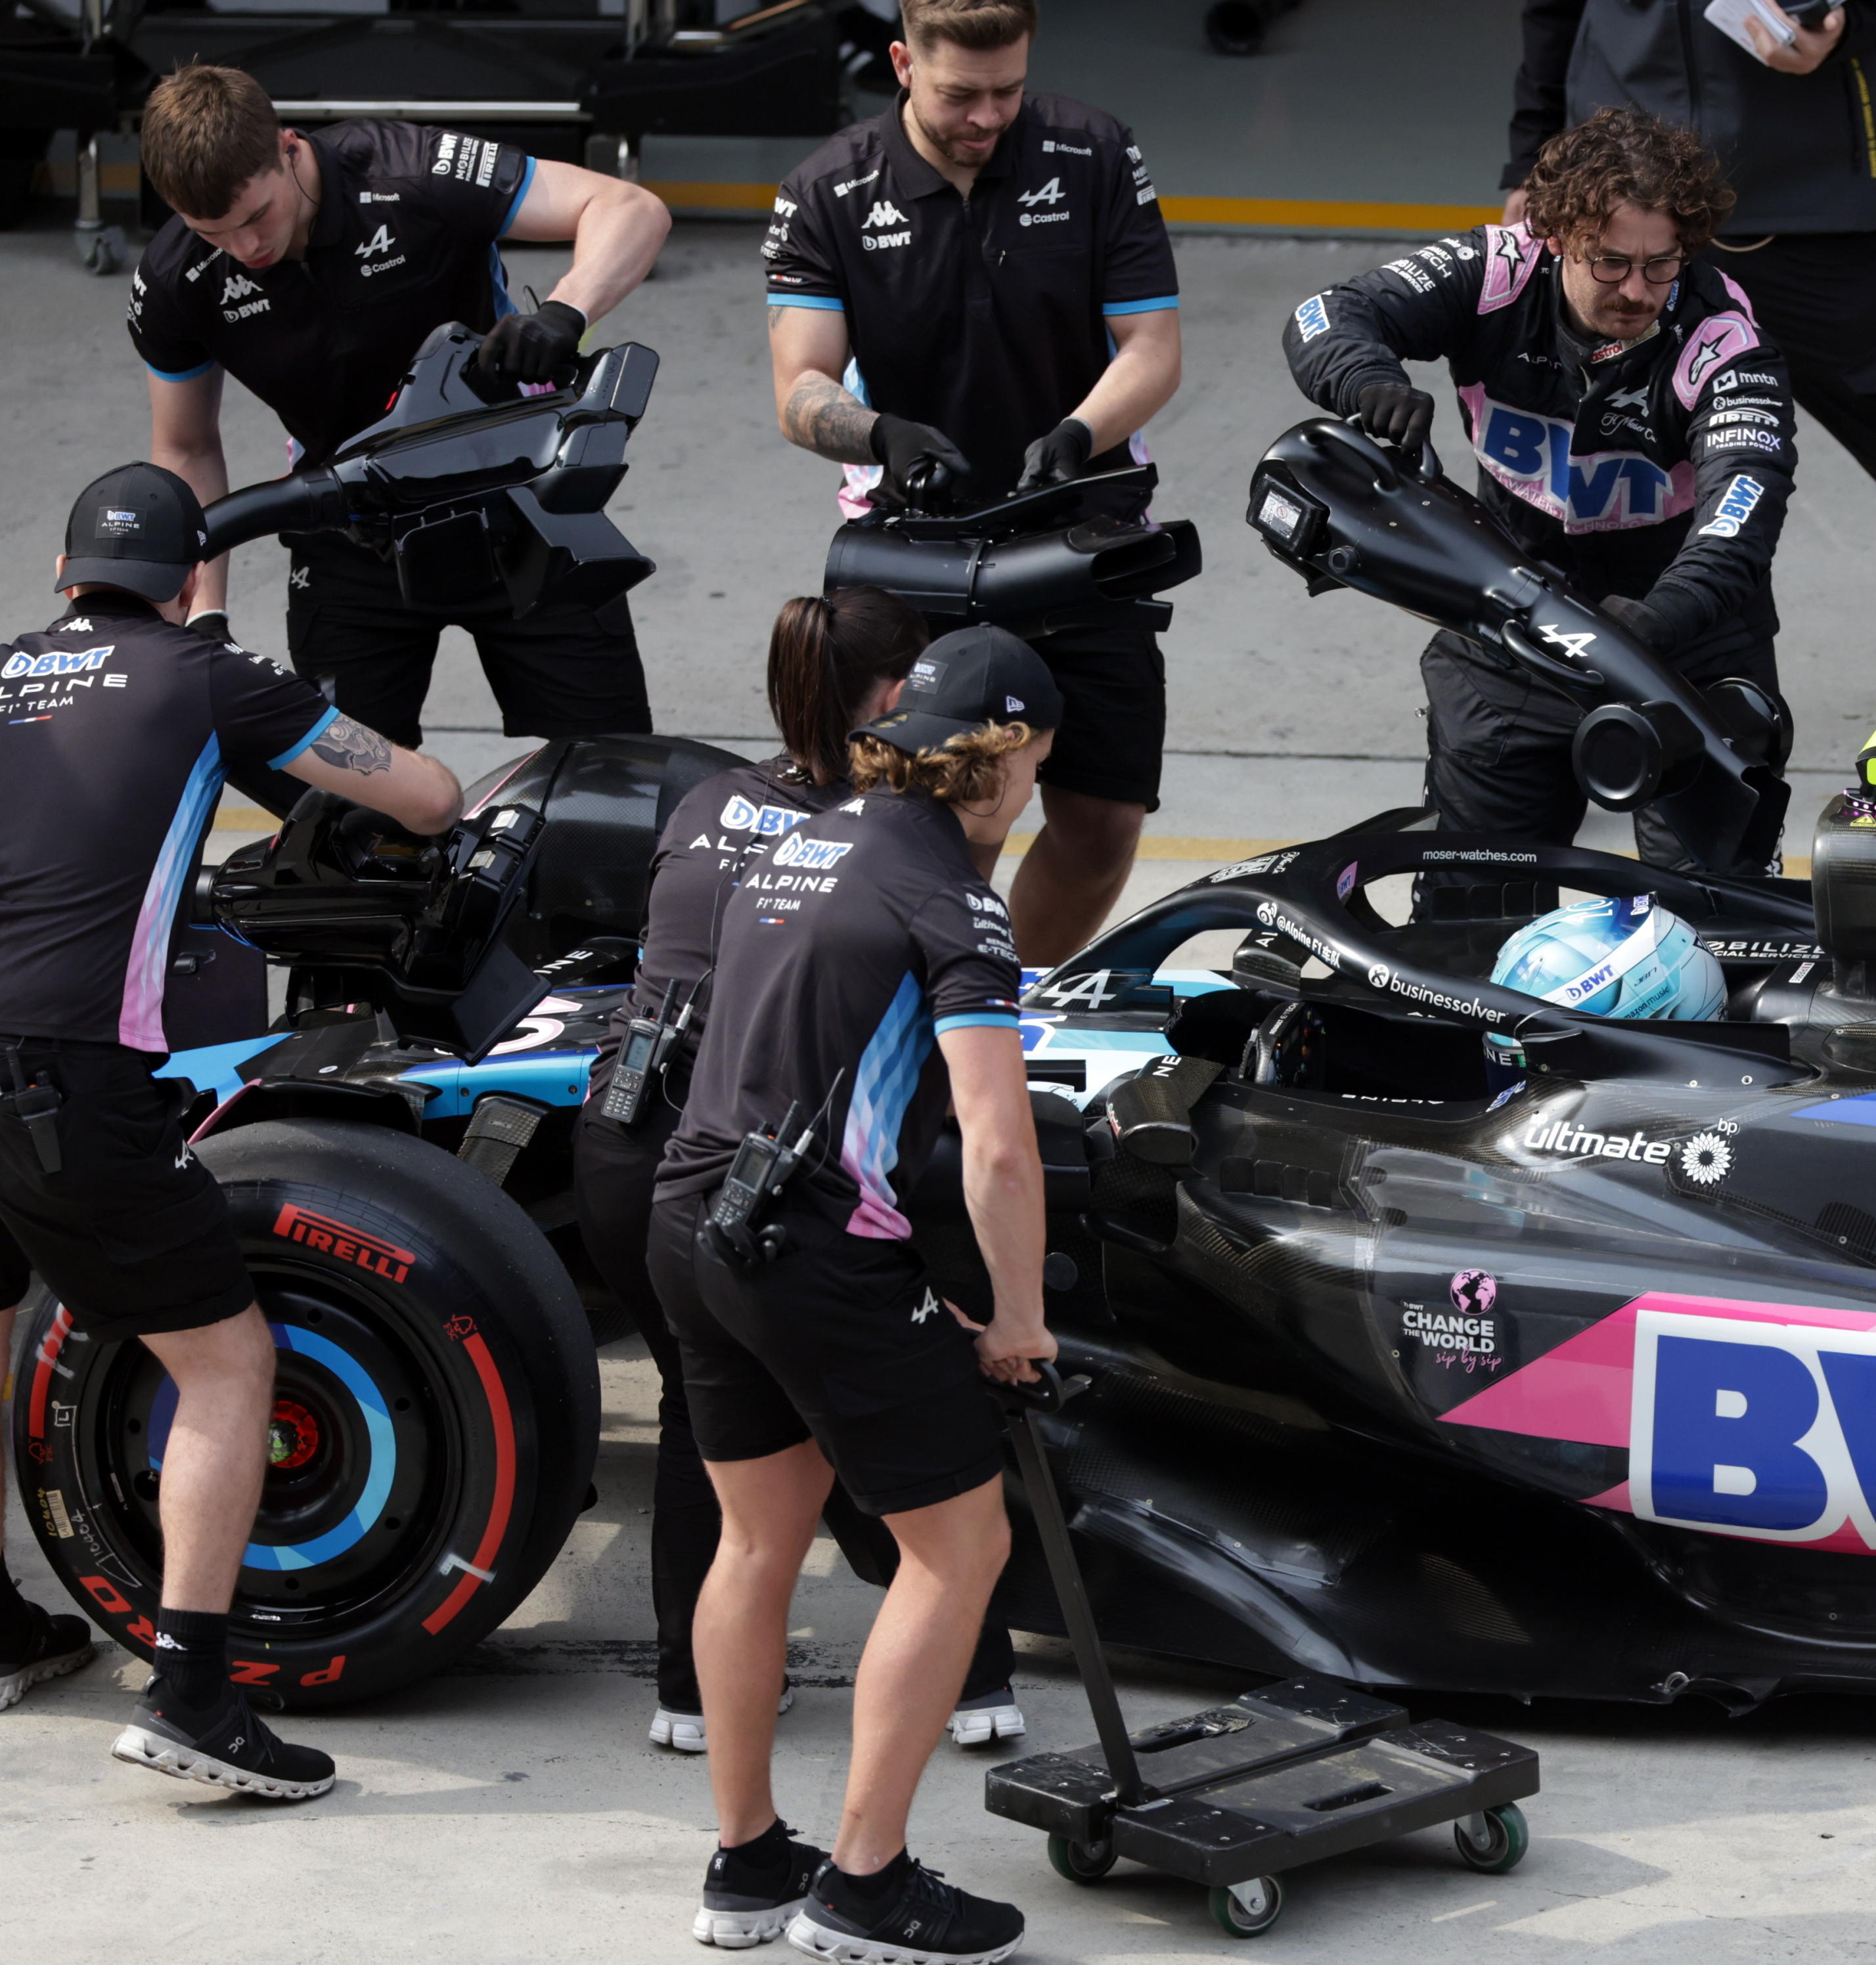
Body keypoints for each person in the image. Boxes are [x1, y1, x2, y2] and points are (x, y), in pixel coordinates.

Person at [2, 464, 460, 1797]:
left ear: (58, 575)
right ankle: (195, 1689)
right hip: (65, 1075)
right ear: (195, 582)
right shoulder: (202, 675)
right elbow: (425, 795)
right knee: (224, 1358)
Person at [647, 623, 1058, 1965]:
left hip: (693, 1212)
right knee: (961, 1548)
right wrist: (1013, 1317)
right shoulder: (952, 890)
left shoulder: (798, 837)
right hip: (815, 1238)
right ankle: (869, 1881)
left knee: (756, 1542)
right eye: (1037, 765)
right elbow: (998, 1142)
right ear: (1000, 760)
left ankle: (750, 1856)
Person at [575, 589, 1029, 1763]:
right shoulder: (872, 834)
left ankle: (693, 1695)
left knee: (720, 1430)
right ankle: (971, 1677)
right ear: (899, 705)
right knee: (896, 1421)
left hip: (638, 1146)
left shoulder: (712, 797)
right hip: (780, 1164)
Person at [763, 0, 1182, 967]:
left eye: (1009, 90)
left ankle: (1003, 996)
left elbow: (1153, 349)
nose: (989, 116)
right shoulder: (825, 189)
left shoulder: (1098, 154)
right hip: (912, 542)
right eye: (962, 94)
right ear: (904, 63)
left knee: (1104, 816)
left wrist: (1083, 431)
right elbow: (799, 389)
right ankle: (913, 1003)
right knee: (924, 811)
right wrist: (881, 432)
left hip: (1080, 527)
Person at [1285, 106, 1800, 872]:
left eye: (1661, 264)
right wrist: (1367, 384)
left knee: (1710, 926)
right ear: (1553, 236)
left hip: (1678, 643)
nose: (1636, 289)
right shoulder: (1495, 271)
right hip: (1511, 630)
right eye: (1609, 262)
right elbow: (1324, 314)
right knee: (1471, 916)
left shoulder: (1723, 338)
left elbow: (1742, 511)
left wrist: (1656, 621)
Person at [128, 63, 671, 774]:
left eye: (257, 216)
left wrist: (566, 309)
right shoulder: (174, 281)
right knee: (346, 801)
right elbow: (187, 448)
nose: (246, 250)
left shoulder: (410, 171)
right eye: (212, 233)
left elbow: (630, 207)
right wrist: (202, 617)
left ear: (289, 147)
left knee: (616, 772)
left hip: (518, 507)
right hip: (349, 534)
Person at [1504, 1, 1876, 527]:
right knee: (1602, 466)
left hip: (1807, 190)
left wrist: (1851, 22)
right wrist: (1535, 161)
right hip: (1621, 192)